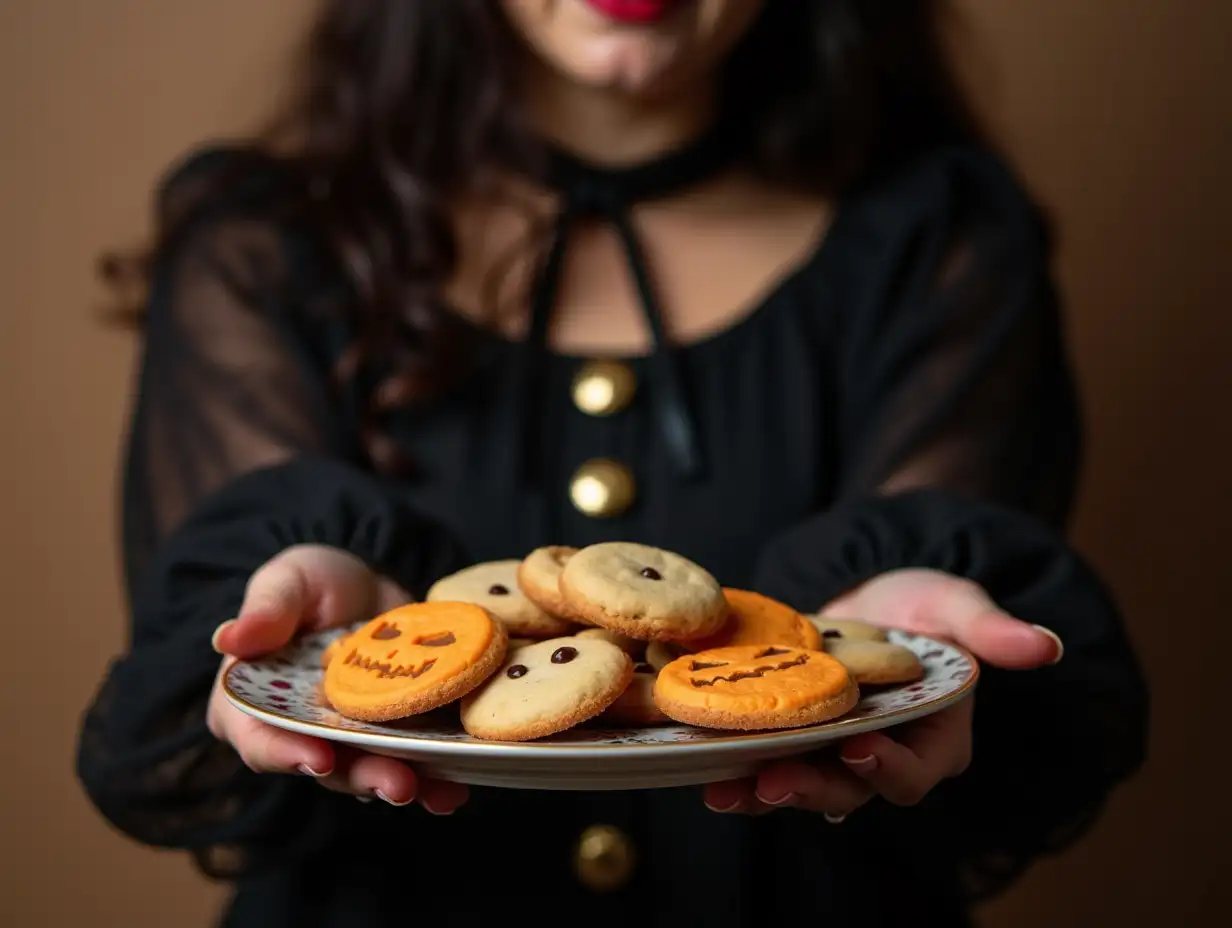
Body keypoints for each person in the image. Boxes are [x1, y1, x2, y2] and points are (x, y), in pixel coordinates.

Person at [76, 1, 1148, 925]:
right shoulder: (267, 244)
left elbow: (958, 686)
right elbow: (182, 722)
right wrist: (298, 622)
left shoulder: (938, 239)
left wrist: (914, 646)